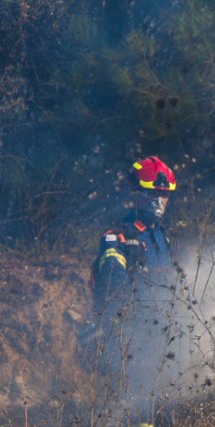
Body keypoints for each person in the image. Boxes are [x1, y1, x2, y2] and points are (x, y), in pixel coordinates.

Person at [80, 155, 178, 370]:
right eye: (153, 193)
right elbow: (113, 277)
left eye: (164, 194)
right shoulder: (117, 235)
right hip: (125, 331)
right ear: (138, 194)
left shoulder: (163, 237)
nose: (159, 200)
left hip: (160, 328)